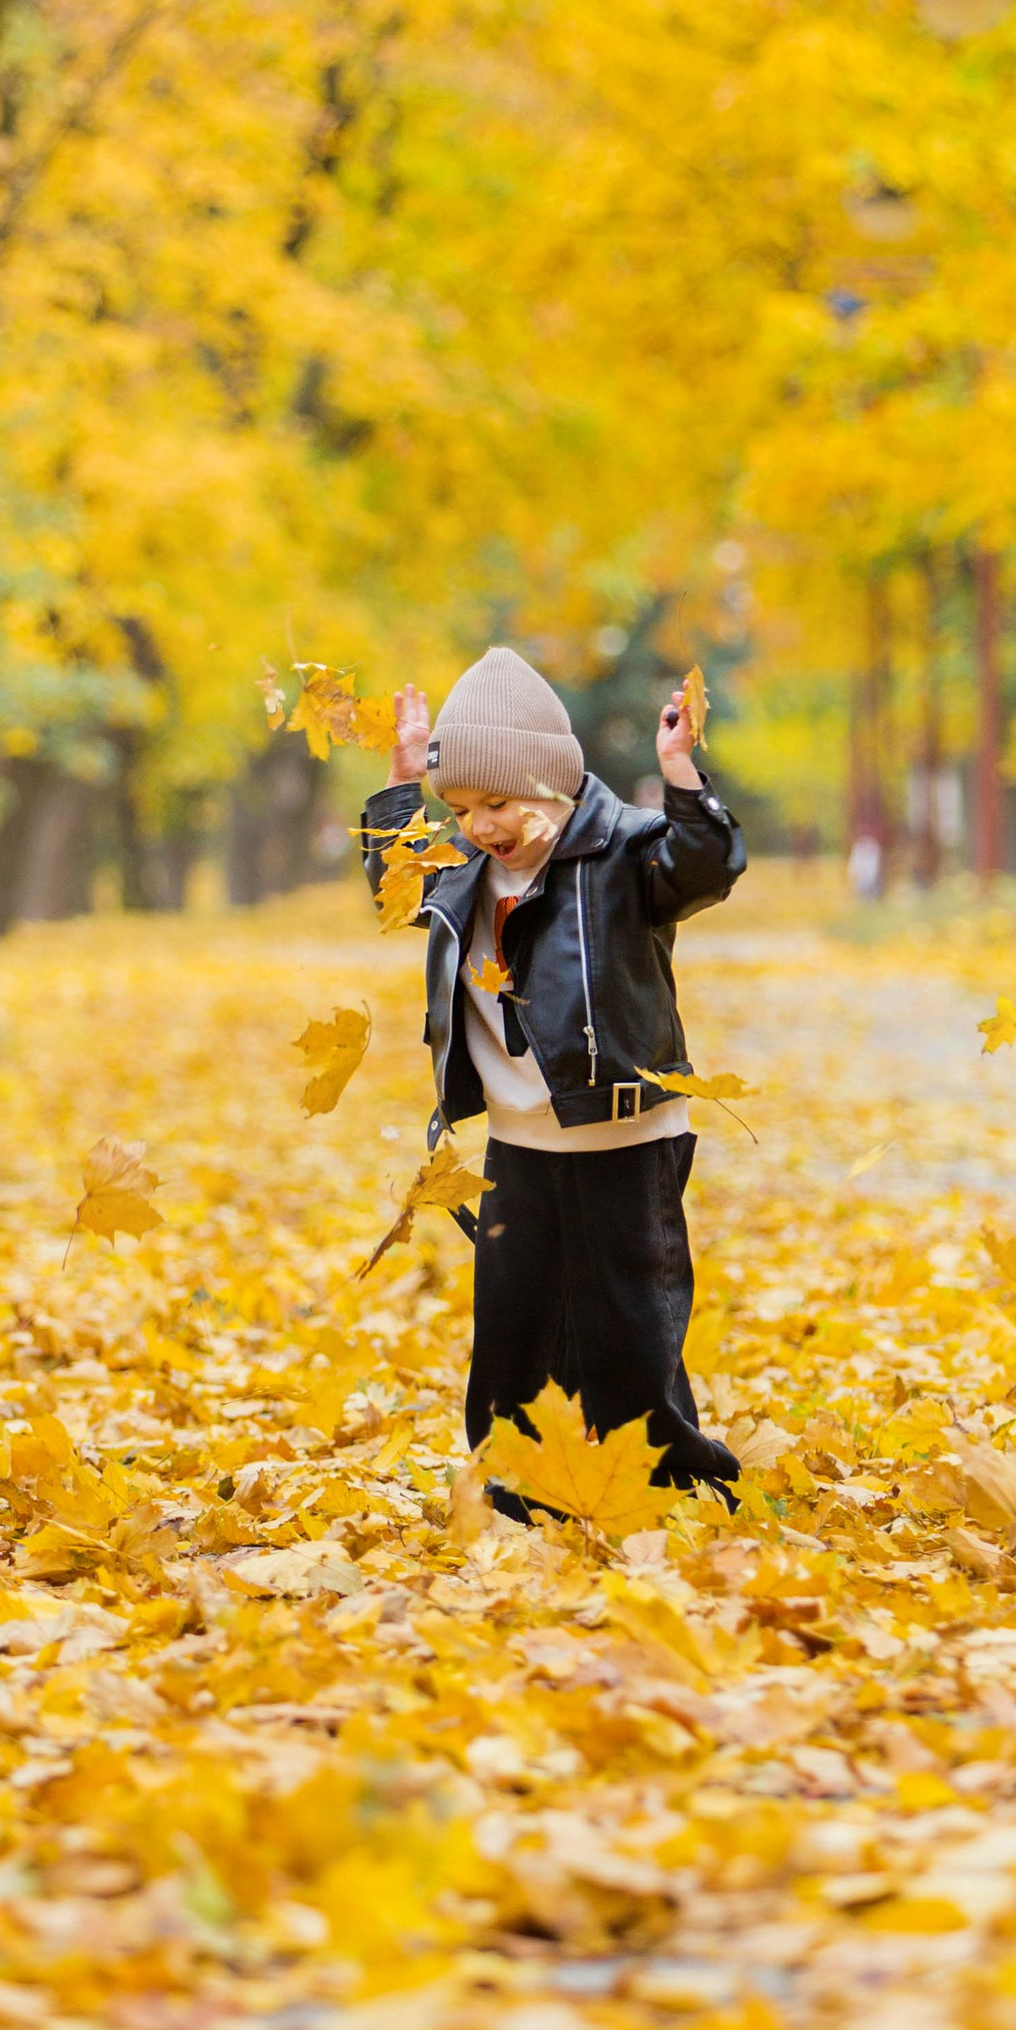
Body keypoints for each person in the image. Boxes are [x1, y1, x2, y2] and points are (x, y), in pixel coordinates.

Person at [361, 643, 746, 1513]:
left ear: (552, 785)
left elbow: (706, 868)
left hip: (624, 1128)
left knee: (627, 1319)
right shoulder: (463, 871)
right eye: (462, 806)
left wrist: (680, 773)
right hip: (518, 1136)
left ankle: (664, 1472)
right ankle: (519, 1478)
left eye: (498, 802)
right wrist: (400, 788)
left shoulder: (626, 854)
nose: (482, 823)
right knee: (515, 1320)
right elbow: (395, 884)